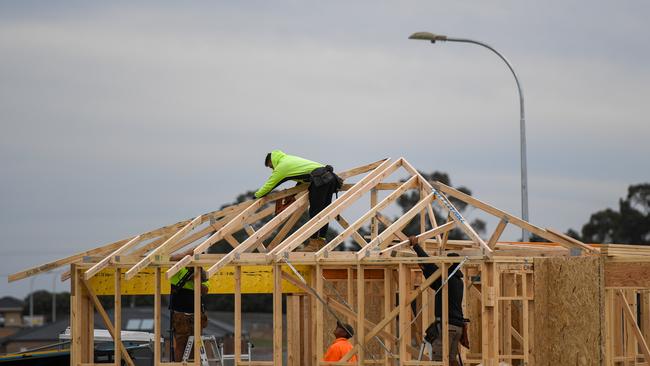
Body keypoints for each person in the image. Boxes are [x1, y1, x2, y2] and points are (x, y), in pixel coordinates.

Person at [255, 150, 341, 247]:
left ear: (272, 161)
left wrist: (256, 196)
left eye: (271, 166)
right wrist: (294, 193)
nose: (272, 169)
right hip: (330, 178)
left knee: (315, 211)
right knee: (325, 211)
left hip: (320, 180)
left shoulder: (282, 167)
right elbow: (303, 176)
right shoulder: (289, 159)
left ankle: (313, 244)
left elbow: (269, 185)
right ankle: (320, 241)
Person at [409, 236, 466, 366]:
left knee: (439, 360)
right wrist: (423, 267)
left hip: (447, 326)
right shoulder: (458, 281)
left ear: (449, 265)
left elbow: (430, 267)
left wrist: (416, 247)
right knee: (451, 360)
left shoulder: (448, 279)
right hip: (457, 328)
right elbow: (435, 283)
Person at [168, 252, 210, 361]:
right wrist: (192, 252)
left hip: (196, 314)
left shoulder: (201, 273)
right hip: (180, 314)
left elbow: (205, 290)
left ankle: (194, 363)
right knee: (181, 344)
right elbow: (172, 257)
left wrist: (196, 279)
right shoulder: (178, 269)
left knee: (196, 344)